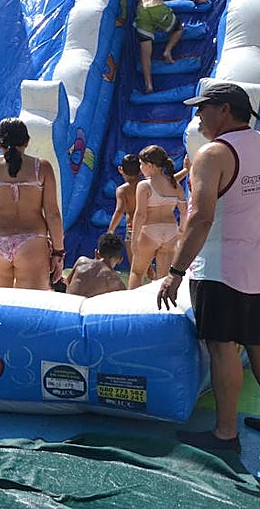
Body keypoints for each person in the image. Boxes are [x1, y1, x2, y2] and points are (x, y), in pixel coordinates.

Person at [158, 82, 260, 453]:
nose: (198, 115)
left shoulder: (212, 154)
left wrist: (175, 272)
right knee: (257, 343)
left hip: (221, 267)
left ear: (226, 111)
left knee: (222, 347)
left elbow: (200, 218)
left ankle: (225, 433)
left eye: (205, 108)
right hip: (255, 263)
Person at [0, 118, 64, 290]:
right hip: (32, 240)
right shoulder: (41, 167)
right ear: (27, 141)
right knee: (32, 307)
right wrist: (58, 252)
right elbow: (52, 213)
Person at [135, 0, 208, 94]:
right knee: (178, 29)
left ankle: (148, 84)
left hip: (141, 12)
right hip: (157, 9)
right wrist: (196, 0)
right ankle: (167, 51)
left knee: (145, 51)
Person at [129, 144, 186, 289]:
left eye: (141, 165)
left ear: (150, 165)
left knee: (137, 273)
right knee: (163, 279)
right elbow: (185, 211)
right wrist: (181, 232)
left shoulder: (144, 185)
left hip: (150, 230)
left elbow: (140, 214)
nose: (140, 168)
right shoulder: (175, 186)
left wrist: (134, 238)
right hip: (171, 231)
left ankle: (131, 308)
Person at [66, 233, 127, 298]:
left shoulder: (81, 261)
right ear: (120, 259)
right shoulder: (116, 282)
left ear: (96, 253)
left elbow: (66, 283)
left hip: (68, 304)